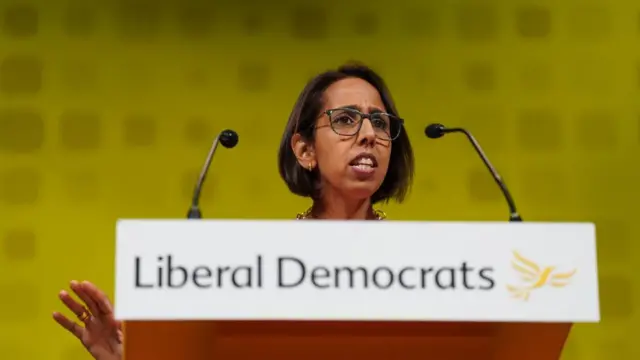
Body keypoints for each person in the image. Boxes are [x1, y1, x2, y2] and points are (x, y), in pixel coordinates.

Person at [52, 62, 415, 360]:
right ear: (305, 151)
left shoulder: (421, 264)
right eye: (346, 120)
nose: (369, 134)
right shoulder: (257, 267)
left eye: (380, 122)